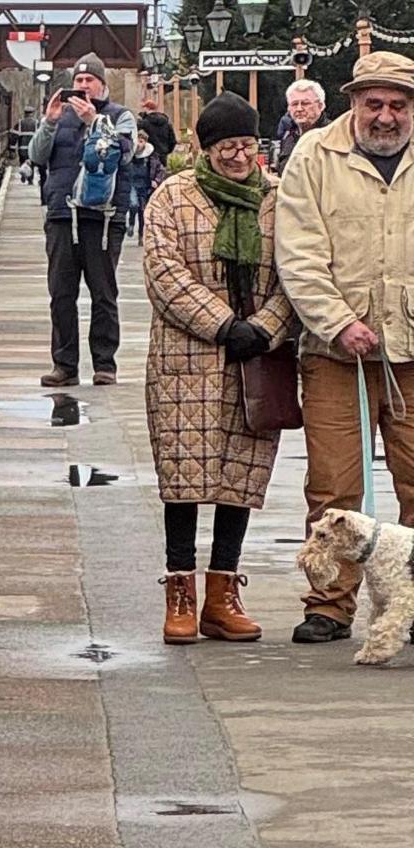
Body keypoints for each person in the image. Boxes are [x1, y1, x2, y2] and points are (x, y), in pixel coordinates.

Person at [271, 51, 414, 643]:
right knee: (334, 487)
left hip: (412, 351)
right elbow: (297, 251)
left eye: (398, 106)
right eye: (373, 104)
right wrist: (335, 322)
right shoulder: (314, 155)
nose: (385, 117)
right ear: (353, 103)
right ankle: (329, 604)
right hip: (336, 354)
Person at [143, 93, 294, 644]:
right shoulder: (170, 198)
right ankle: (179, 591)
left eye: (247, 145)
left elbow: (296, 270)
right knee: (184, 479)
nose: (238, 156)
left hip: (256, 361)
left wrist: (267, 327)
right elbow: (163, 274)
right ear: (205, 149)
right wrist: (225, 324)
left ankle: (223, 593)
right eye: (227, 146)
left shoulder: (279, 198)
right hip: (188, 360)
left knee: (240, 479)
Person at [29, 55, 142, 386]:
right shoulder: (59, 117)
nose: (82, 86)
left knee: (103, 293)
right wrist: (49, 122)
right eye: (78, 81)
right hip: (63, 215)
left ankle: (104, 364)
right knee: (61, 293)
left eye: (89, 80)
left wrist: (94, 122)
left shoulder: (120, 116)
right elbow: (36, 156)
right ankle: (64, 366)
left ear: (102, 84)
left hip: (103, 219)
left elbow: (124, 152)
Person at [273, 78, 327, 173]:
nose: (299, 108)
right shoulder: (288, 137)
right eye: (294, 104)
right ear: (288, 108)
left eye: (305, 103)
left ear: (321, 106)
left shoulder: (332, 135)